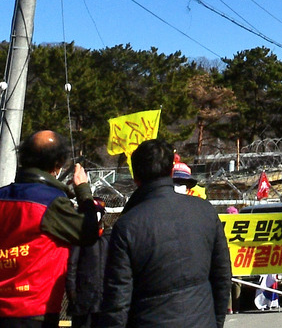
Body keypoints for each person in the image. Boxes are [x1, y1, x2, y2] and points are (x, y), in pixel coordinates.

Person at [99, 138, 231, 328]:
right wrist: (216, 322)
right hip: (202, 319)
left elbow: (117, 300)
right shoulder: (204, 211)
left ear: (135, 177)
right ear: (171, 171)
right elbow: (222, 277)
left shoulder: (127, 225)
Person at [0, 130, 99, 328]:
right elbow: (88, 231)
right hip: (35, 310)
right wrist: (83, 190)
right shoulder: (52, 202)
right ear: (57, 165)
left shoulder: (3, 196)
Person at [66, 199, 111, 328]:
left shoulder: (110, 236)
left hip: (104, 301)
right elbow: (71, 266)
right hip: (84, 302)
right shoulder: (80, 237)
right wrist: (73, 296)